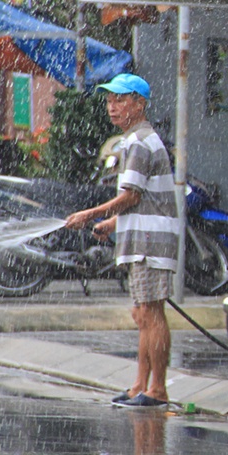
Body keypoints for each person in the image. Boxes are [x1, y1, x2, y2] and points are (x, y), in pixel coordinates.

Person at [64, 73, 180, 408]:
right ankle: (139, 386)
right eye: (110, 100)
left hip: (149, 240)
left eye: (120, 99)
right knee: (143, 314)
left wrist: (91, 215)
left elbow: (131, 196)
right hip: (141, 235)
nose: (112, 107)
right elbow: (142, 199)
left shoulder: (140, 142)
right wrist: (114, 224)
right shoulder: (135, 139)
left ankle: (156, 389)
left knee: (151, 313)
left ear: (140, 104)